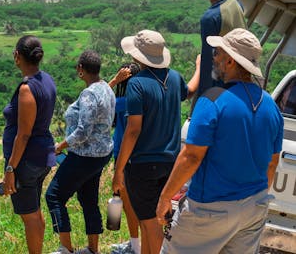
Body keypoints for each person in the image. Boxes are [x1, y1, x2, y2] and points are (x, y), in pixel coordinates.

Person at [156, 28, 284, 254]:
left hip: (210, 209)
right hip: (254, 207)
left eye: (217, 53)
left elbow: (191, 157)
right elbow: (272, 164)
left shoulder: (213, 99)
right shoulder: (271, 106)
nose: (213, 58)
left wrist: (165, 198)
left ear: (230, 61)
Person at [112, 30, 199, 254]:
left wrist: (118, 169)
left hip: (142, 165)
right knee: (155, 220)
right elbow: (189, 90)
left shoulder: (137, 83)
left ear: (137, 56)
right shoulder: (175, 77)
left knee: (151, 225)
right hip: (169, 164)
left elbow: (133, 130)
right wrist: (200, 67)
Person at [46, 50, 115, 254]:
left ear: (81, 70)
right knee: (88, 200)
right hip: (101, 154)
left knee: (54, 196)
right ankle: (92, 249)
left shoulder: (89, 94)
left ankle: (65, 248)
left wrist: (60, 146)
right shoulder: (106, 89)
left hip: (84, 156)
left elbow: (83, 131)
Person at [1, 35, 57, 254]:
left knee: (29, 215)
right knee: (34, 211)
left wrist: (10, 168)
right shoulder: (47, 80)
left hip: (27, 161)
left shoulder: (27, 88)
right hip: (42, 156)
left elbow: (23, 135)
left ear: (17, 56)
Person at [187, 0, 246, 97]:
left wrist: (203, 99)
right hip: (242, 81)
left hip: (222, 88)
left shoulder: (210, 18)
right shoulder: (236, 4)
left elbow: (208, 65)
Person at [108, 63, 141, 254]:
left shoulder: (123, 101)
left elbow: (94, 98)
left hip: (123, 155)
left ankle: (135, 247)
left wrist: (114, 80)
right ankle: (135, 244)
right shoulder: (142, 99)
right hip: (141, 156)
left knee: (128, 205)